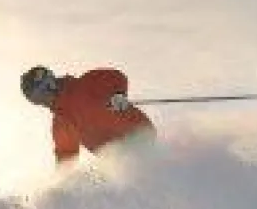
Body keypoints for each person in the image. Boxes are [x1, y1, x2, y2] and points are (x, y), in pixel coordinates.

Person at [20, 65, 156, 165]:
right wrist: (62, 183)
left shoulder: (85, 84)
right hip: (115, 157)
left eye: (40, 95)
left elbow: (116, 77)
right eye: (35, 100)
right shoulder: (61, 123)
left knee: (140, 165)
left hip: (136, 135)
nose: (42, 102)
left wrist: (118, 95)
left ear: (50, 84)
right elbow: (66, 155)